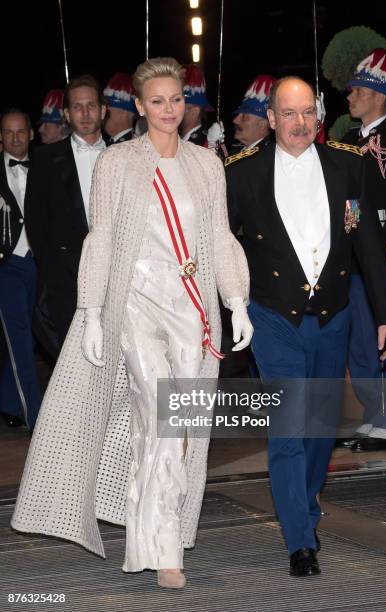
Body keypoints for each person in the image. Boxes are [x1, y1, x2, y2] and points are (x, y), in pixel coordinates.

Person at [12, 57, 252, 589]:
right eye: (158, 101)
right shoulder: (116, 165)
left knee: (180, 427)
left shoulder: (205, 164)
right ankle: (164, 550)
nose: (170, 110)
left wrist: (236, 299)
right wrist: (93, 311)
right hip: (135, 303)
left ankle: (152, 531)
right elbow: (99, 240)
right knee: (160, 414)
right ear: (140, 108)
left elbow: (217, 236)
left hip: (191, 308)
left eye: (177, 100)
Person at [226, 76, 386, 577]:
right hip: (273, 316)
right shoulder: (241, 175)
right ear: (273, 118)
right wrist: (228, 306)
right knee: (288, 428)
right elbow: (223, 248)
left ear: (317, 117)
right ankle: (299, 539)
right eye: (289, 113)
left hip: (334, 316)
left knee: (320, 429)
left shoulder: (349, 165)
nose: (300, 123)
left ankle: (301, 506)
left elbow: (367, 240)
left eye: (308, 113)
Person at [339, 48, 386, 452]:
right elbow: (346, 201)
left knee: (380, 335)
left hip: (380, 251)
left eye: (358, 89)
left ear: (379, 95)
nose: (350, 95)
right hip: (350, 252)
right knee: (357, 339)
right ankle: (372, 414)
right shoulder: (347, 140)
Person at [25, 75, 106, 355]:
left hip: (122, 281)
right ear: (66, 114)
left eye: (91, 106)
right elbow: (36, 224)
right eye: (77, 107)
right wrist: (56, 276)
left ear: (103, 110)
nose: (85, 113)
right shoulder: (45, 161)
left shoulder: (124, 155)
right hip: (67, 286)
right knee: (75, 368)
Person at [0, 109, 41, 430]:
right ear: (1, 136)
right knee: (21, 339)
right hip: (6, 266)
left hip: (39, 263)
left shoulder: (45, 167)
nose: (14, 137)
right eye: (8, 132)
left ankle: (8, 400)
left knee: (33, 334)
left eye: (19, 131)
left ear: (30, 134)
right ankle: (36, 416)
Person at [230, 74, 276, 154]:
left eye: (244, 117)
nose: (235, 120)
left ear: (262, 124)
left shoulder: (268, 157)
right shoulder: (235, 152)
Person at [103, 73, 136, 145]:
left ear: (124, 112)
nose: (102, 112)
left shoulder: (129, 147)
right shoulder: (109, 143)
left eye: (107, 108)